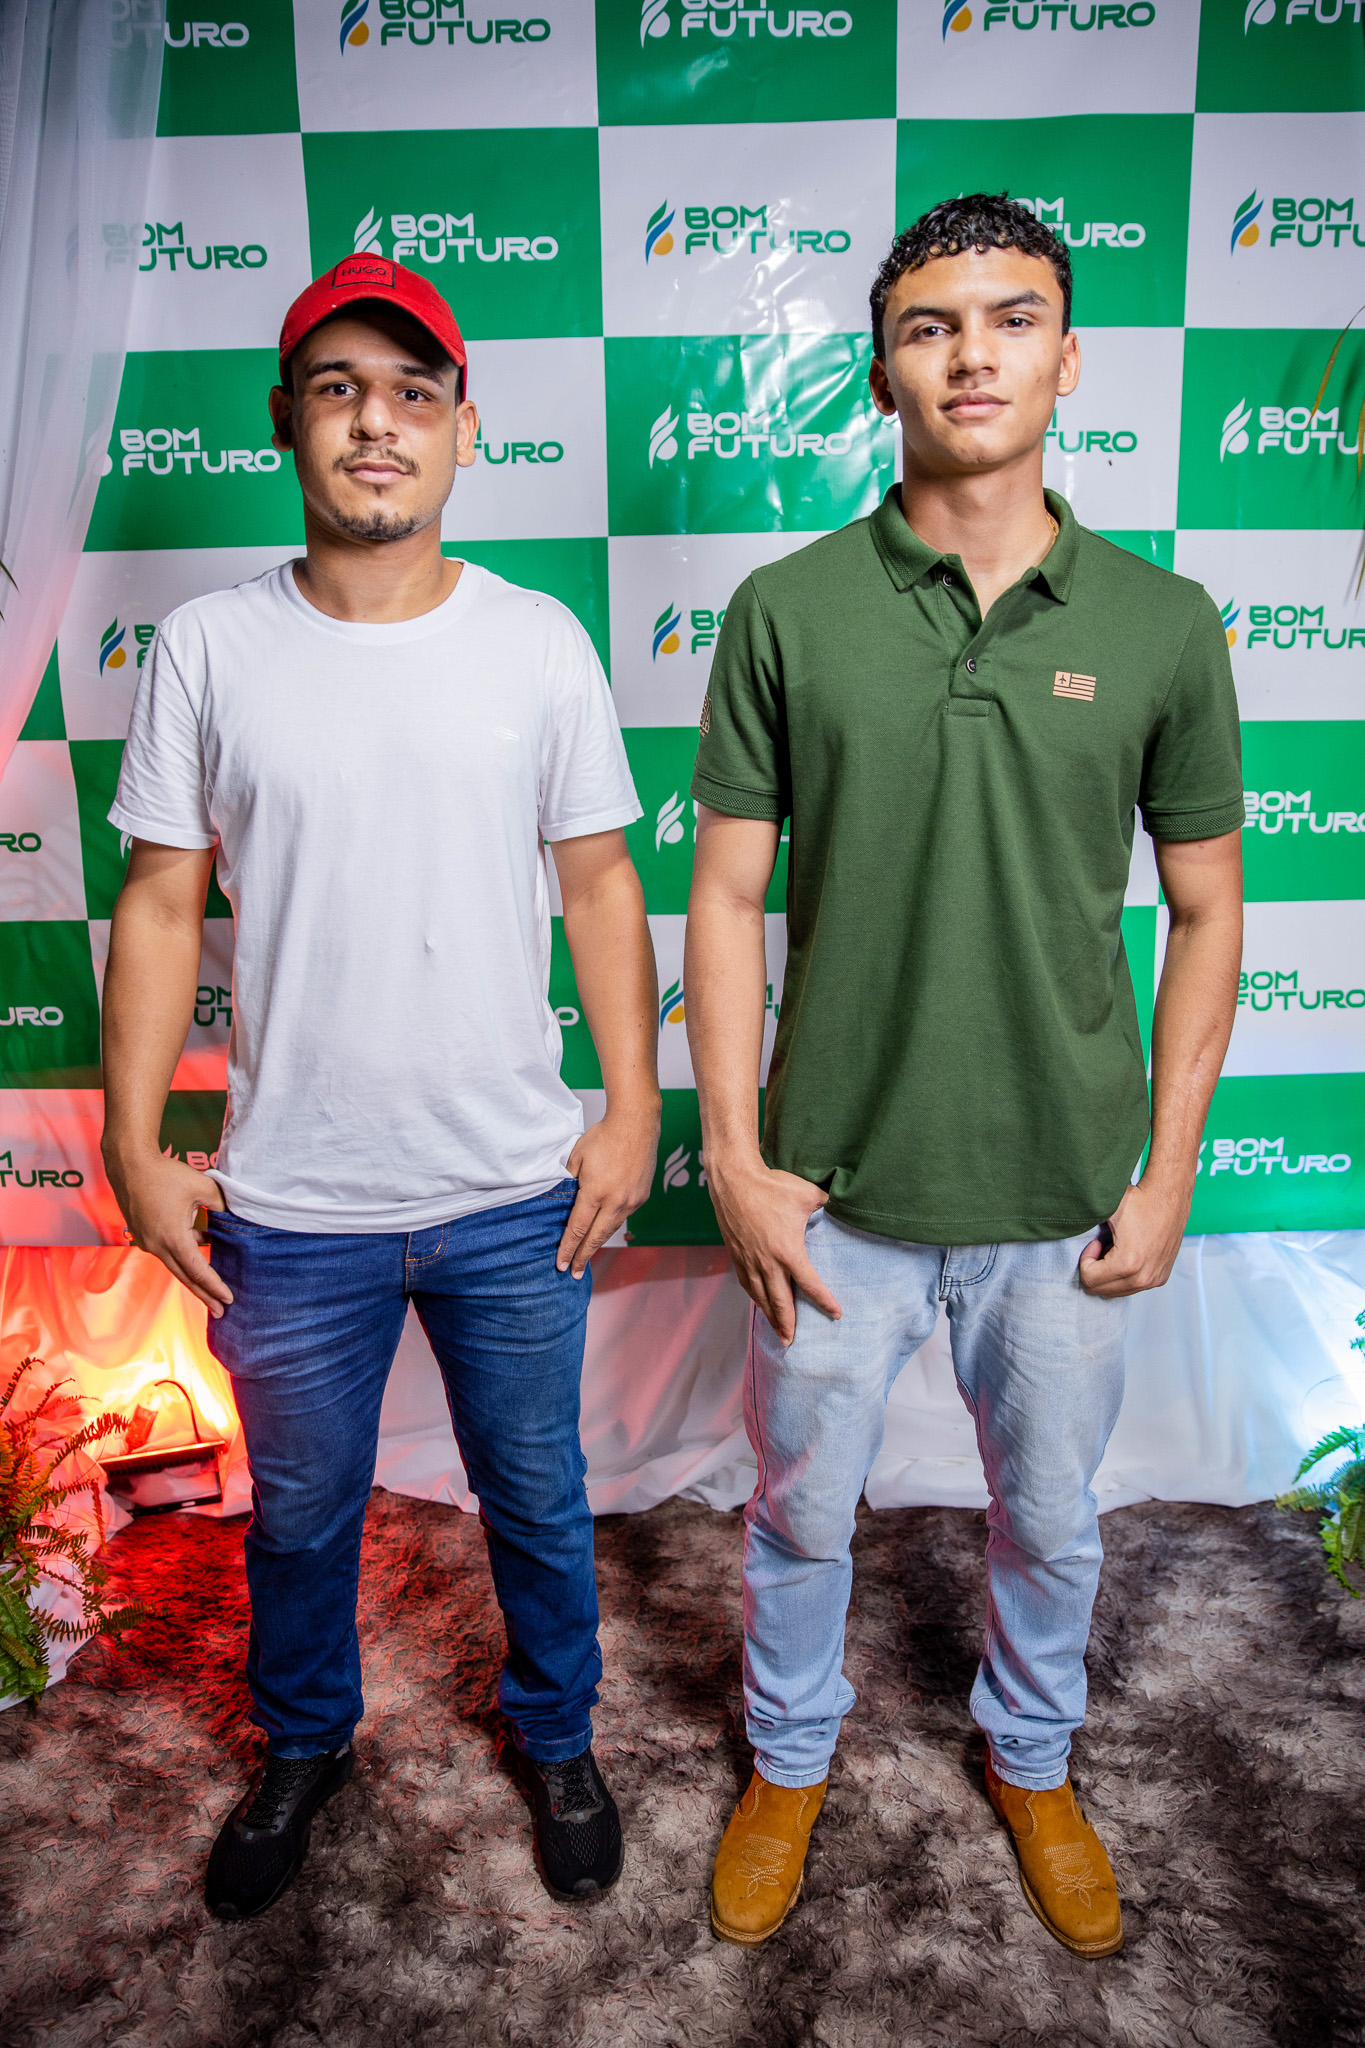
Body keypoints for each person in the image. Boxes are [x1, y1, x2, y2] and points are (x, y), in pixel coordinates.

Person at [684, 196, 1244, 1957]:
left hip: (1060, 1193)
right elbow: (720, 897)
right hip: (830, 1192)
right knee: (797, 1517)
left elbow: (1209, 909)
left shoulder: (1163, 621)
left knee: (1055, 1526)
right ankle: (788, 1762)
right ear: (880, 371)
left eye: (1012, 318)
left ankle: (1033, 1759)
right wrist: (733, 1156)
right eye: (931, 325)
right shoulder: (786, 609)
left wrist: (1165, 1169)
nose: (972, 353)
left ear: (1069, 362)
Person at [101, 257, 661, 1921]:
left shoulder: (535, 641)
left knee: (538, 1502)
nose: (377, 423)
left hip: (507, 1190)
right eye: (341, 388)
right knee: (297, 1517)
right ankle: (302, 1745)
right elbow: (158, 904)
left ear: (463, 430)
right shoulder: (208, 645)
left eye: (414, 393)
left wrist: (631, 1111)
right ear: (287, 422)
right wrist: (132, 1143)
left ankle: (558, 1740)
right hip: (292, 1201)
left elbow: (602, 887)